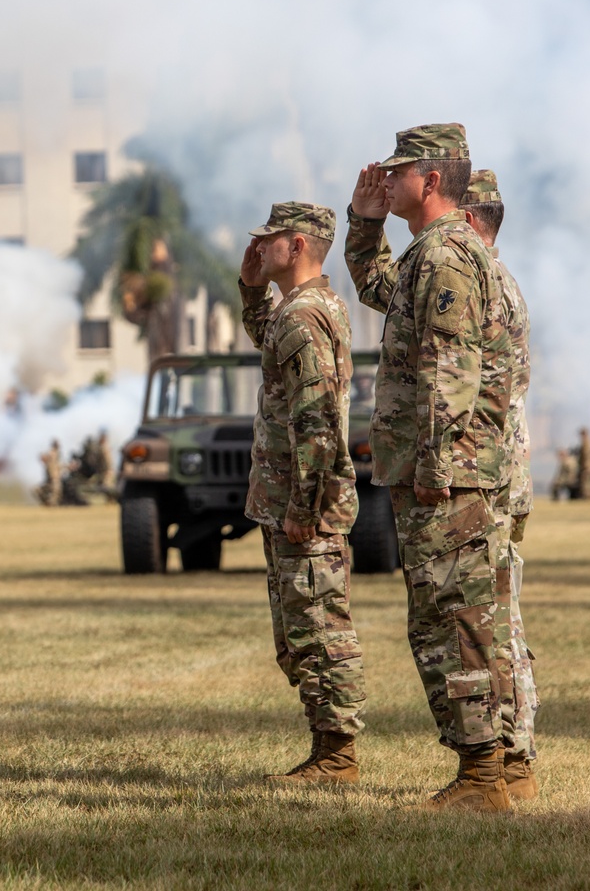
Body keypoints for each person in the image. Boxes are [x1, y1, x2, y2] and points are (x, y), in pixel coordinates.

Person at [346, 123, 513, 812]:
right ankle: (502, 765)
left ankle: (483, 777)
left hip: (448, 472)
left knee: (455, 620)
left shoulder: (445, 257)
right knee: (463, 615)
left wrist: (436, 466)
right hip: (443, 467)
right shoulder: (430, 253)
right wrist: (364, 222)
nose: (388, 180)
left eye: (398, 172)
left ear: (432, 181)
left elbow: (453, 370)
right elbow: (376, 287)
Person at [240, 201, 366, 784]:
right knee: (302, 625)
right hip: (294, 499)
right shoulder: (304, 308)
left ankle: (337, 755)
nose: (260, 247)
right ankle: (328, 749)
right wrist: (250, 287)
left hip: (304, 504)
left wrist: (303, 506)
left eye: (269, 241)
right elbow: (269, 342)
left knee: (318, 625)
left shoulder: (304, 315)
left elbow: (315, 420)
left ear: (296, 245)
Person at [460, 169, 539, 799]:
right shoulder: (497, 282)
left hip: (491, 475)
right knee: (501, 615)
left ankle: (513, 757)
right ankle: (517, 756)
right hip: (504, 471)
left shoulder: (486, 285)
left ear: (468, 220)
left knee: (496, 619)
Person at [35, 439, 62, 506]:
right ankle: (47, 503)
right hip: (50, 478)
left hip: (54, 477)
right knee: (38, 490)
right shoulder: (52, 454)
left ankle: (51, 504)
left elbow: (58, 465)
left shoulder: (55, 454)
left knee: (55, 490)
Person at [578, 427, 590, 500]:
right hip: (589, 465)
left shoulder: (587, 443)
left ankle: (588, 496)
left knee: (586, 481)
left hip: (588, 465)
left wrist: (586, 466)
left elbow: (587, 456)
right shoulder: (589, 442)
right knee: (586, 480)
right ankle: (587, 496)